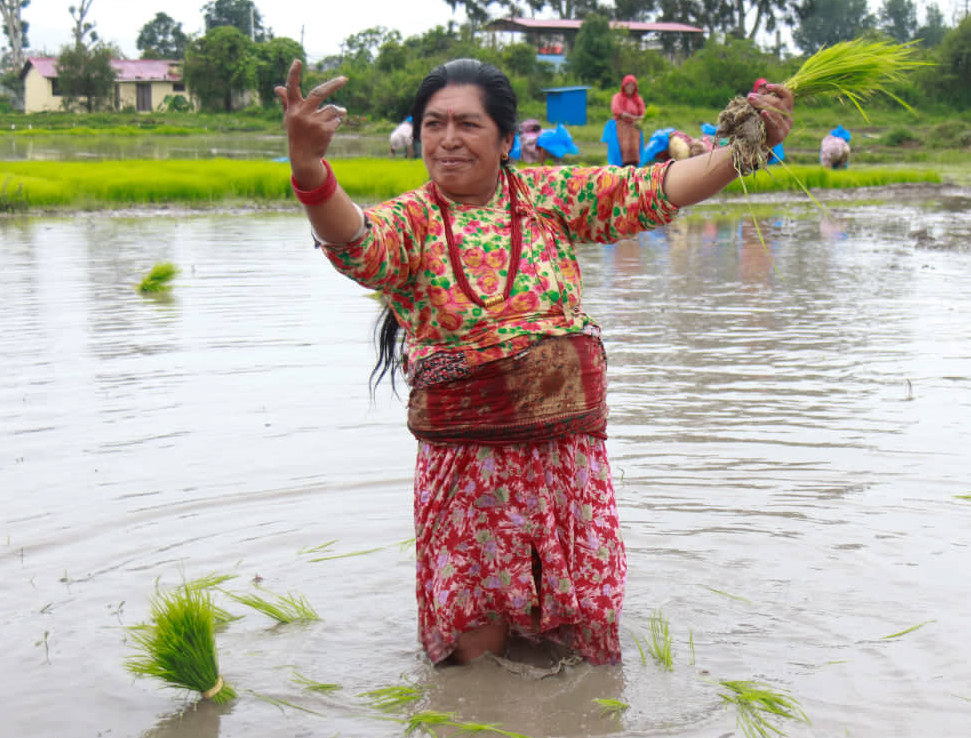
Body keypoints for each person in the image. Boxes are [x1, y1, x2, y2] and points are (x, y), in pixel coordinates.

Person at [277, 59, 793, 666]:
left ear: (504, 140)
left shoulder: (549, 199)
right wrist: (308, 169)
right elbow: (356, 242)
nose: (448, 139)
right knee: (475, 650)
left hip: (567, 469)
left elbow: (653, 190)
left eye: (468, 124)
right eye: (434, 124)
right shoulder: (412, 222)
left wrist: (746, 148)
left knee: (580, 645)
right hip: (469, 478)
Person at [610, 75, 646, 167]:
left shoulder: (638, 99)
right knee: (622, 150)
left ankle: (634, 167)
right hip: (621, 127)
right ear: (624, 86)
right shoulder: (617, 97)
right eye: (628, 85)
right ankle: (621, 167)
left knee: (634, 150)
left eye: (632, 85)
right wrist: (626, 115)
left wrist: (640, 118)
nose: (630, 87)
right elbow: (615, 109)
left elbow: (643, 113)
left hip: (634, 128)